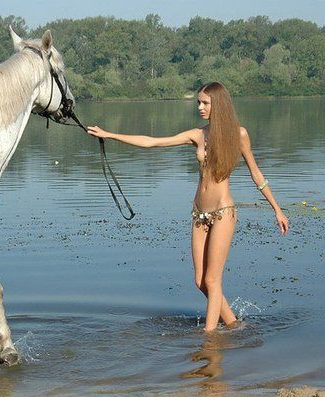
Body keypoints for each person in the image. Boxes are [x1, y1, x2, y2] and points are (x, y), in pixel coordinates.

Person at [87, 82, 289, 332]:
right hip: (199, 214)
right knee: (200, 281)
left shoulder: (239, 135)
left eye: (205, 103)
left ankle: (210, 338)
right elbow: (153, 142)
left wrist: (277, 209)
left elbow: (256, 173)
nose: (200, 107)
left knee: (213, 280)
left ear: (219, 105)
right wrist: (110, 135)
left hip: (223, 212)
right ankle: (235, 326)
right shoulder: (197, 134)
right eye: (198, 102)